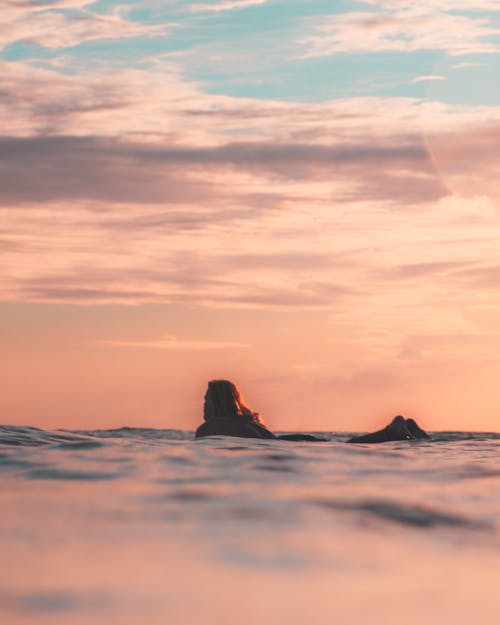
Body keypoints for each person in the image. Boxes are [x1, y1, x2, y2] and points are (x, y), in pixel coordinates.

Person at [195, 380, 430, 442]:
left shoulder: (210, 428)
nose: (203, 403)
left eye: (206, 398)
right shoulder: (245, 423)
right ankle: (404, 430)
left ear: (215, 402)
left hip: (289, 444)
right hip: (292, 441)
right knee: (349, 445)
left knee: (351, 446)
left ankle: (391, 432)